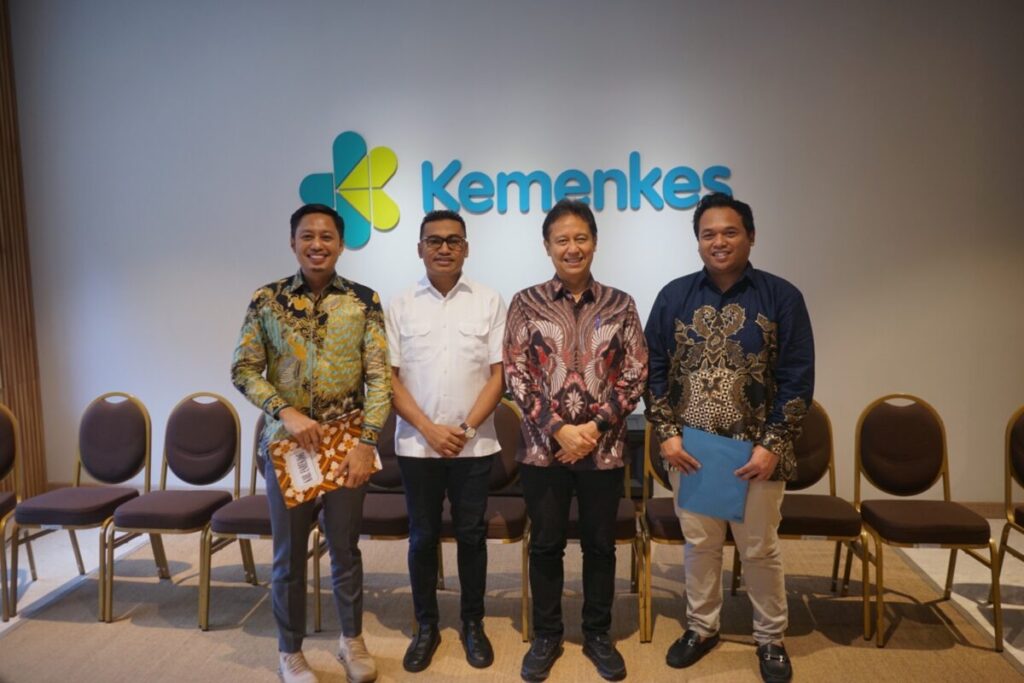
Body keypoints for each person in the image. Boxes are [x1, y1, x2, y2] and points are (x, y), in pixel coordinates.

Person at [644, 192, 814, 683]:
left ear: (751, 236)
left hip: (757, 455)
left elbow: (798, 377)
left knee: (759, 549)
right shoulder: (674, 297)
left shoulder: (782, 297)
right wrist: (667, 435)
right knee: (700, 545)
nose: (719, 241)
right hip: (691, 453)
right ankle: (701, 627)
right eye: (708, 234)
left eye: (730, 232)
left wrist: (773, 445)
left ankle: (770, 638)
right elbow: (652, 369)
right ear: (698, 241)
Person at [231, 203, 391, 683]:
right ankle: (291, 652)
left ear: (341, 245)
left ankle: (351, 639)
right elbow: (243, 369)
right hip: (288, 450)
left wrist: (366, 444)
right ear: (292, 242)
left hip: (346, 449)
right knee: (288, 556)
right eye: (307, 236)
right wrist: (286, 411)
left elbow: (380, 379)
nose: (317, 244)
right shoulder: (267, 300)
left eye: (326, 237)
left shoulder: (363, 301)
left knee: (345, 549)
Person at [503, 199, 648, 682]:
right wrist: (559, 429)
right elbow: (516, 374)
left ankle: (598, 634)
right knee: (546, 545)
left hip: (602, 451)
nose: (572, 248)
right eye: (562, 239)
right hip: (543, 451)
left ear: (595, 243)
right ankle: (546, 634)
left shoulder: (620, 304)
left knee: (600, 545)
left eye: (580, 238)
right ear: (547, 246)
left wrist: (594, 428)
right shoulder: (526, 303)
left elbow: (635, 373)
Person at [385, 210, 507, 672]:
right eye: (434, 241)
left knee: (472, 536)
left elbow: (499, 376)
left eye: (453, 240)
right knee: (422, 536)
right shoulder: (399, 305)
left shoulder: (489, 300)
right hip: (418, 446)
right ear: (419, 248)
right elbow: (390, 379)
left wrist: (465, 429)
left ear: (466, 248)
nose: (443, 248)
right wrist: (429, 428)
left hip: (473, 446)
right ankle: (426, 626)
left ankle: (473, 623)